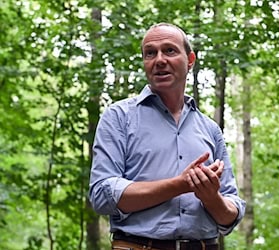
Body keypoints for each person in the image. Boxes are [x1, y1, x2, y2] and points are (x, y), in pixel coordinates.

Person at [88, 23, 246, 250]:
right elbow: (102, 194)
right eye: (150, 53)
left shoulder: (210, 129)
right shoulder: (119, 117)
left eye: (169, 50)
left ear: (190, 60)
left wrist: (211, 197)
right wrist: (180, 185)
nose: (159, 59)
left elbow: (231, 214)